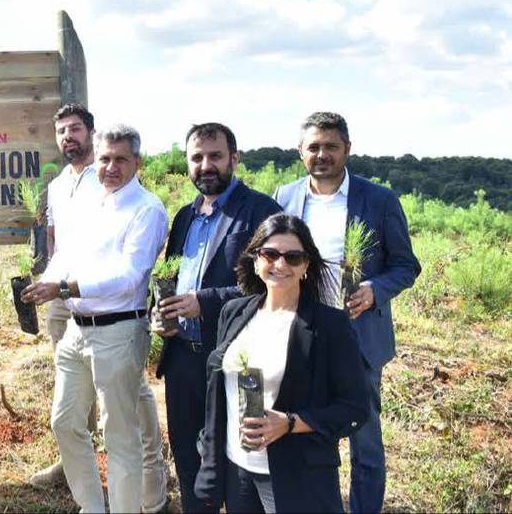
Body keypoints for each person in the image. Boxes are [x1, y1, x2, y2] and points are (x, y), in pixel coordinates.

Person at [273, 112, 421, 513]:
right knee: (304, 430)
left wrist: (375, 290)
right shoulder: (284, 198)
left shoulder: (379, 200)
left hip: (359, 339)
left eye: (331, 147)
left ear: (347, 150)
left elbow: (407, 266)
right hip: (299, 335)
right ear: (300, 151)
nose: (322, 155)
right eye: (314, 147)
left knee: (365, 440)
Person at [22, 124, 169, 513]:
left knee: (118, 435)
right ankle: (92, 507)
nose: (111, 167)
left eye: (121, 159)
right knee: (65, 422)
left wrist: (65, 289)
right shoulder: (92, 203)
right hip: (76, 331)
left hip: (119, 331)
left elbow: (129, 276)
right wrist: (47, 282)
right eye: (104, 158)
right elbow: (65, 254)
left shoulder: (147, 209)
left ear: (137, 162)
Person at [195, 213, 370, 512]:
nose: (280, 264)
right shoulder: (234, 313)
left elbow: (354, 408)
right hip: (237, 469)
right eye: (270, 254)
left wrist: (289, 424)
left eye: (293, 257)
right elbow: (217, 397)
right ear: (255, 259)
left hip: (297, 477)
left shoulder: (329, 326)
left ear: (306, 266)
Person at [153, 123, 280, 512]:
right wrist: (163, 317)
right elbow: (172, 280)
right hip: (183, 360)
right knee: (191, 463)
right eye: (197, 157)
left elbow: (273, 284)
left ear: (234, 159)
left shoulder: (262, 212)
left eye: (215, 156)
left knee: (246, 463)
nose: (206, 165)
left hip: (241, 360)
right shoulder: (183, 218)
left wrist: (203, 302)